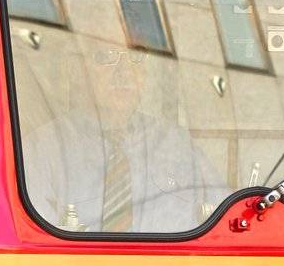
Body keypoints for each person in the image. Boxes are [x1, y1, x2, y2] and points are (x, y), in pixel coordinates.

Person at [23, 46, 226, 234]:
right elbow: (35, 241)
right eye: (105, 56)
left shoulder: (176, 144)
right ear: (76, 70)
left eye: (135, 56)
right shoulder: (43, 149)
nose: (124, 72)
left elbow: (223, 218)